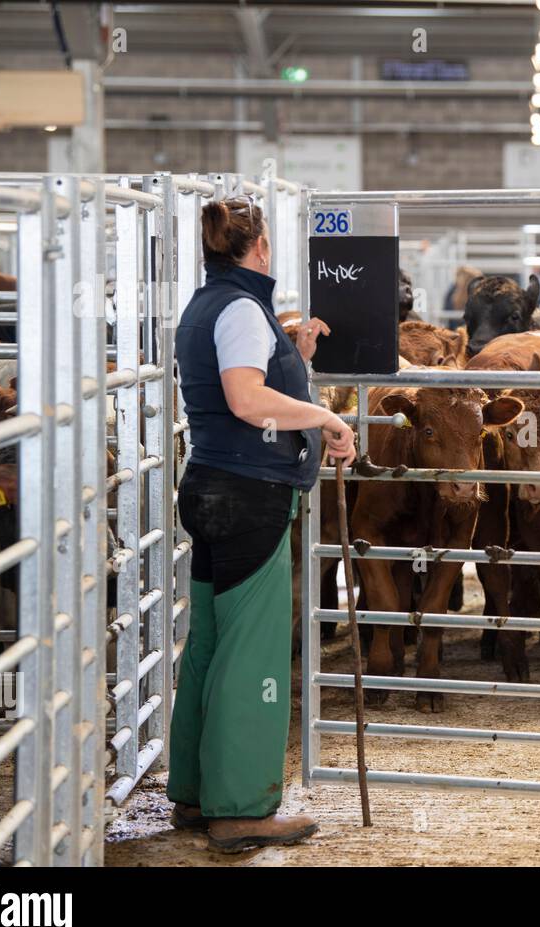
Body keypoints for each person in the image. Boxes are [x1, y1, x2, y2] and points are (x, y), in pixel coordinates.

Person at [168, 197, 357, 853]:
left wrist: (294, 354)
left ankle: (193, 793)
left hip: (209, 487)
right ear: (261, 247)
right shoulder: (244, 310)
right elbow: (247, 398)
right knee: (252, 654)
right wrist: (327, 419)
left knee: (211, 643)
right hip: (249, 493)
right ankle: (241, 807)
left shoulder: (207, 304)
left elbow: (242, 383)